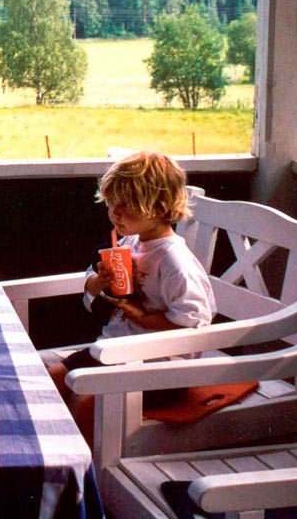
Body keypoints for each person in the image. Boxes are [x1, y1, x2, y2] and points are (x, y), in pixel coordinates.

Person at [47, 150, 216, 443]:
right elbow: (89, 282)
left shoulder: (175, 261)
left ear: (160, 206)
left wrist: (144, 318)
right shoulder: (130, 242)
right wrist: (99, 281)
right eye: (112, 204)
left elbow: (195, 324)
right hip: (114, 349)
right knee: (54, 378)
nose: (115, 213)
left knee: (88, 405)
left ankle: (88, 476)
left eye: (126, 206)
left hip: (161, 368)